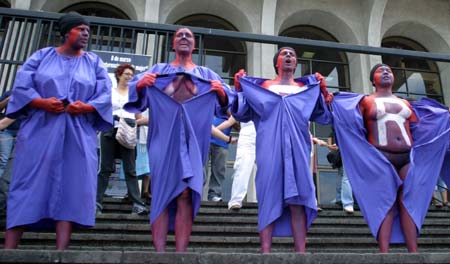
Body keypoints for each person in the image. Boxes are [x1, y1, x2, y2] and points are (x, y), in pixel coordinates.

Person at [3, 12, 112, 250]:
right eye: (80, 29)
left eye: (87, 30)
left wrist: (87, 106)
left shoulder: (93, 62)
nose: (86, 33)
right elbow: (22, 86)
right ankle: (10, 248)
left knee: (72, 185)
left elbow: (105, 94)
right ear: (66, 32)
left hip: (78, 131)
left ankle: (61, 250)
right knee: (28, 182)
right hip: (40, 130)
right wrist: (40, 102)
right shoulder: (42, 56)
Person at [124, 27, 232, 252]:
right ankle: (161, 254)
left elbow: (227, 104)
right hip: (163, 139)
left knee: (186, 193)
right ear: (173, 44)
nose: (184, 38)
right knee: (161, 193)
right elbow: (136, 97)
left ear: (194, 46)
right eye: (179, 35)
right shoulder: (158, 70)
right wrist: (142, 85)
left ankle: (180, 254)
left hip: (194, 141)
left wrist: (220, 93)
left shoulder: (206, 75)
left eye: (189, 36)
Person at [330, 64, 450, 253]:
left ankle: (413, 252)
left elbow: (419, 128)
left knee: (407, 201)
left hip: (407, 157)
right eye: (380, 71)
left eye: (389, 70)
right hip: (381, 158)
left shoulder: (406, 103)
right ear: (373, 80)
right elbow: (348, 119)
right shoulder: (366, 101)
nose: (386, 72)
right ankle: (384, 253)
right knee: (386, 202)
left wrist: (443, 117)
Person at [232, 47, 332, 253]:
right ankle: (265, 253)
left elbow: (323, 115)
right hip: (269, 147)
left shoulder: (306, 89)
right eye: (284, 54)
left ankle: (301, 253)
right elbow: (242, 113)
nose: (288, 56)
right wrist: (239, 89)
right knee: (268, 195)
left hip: (298, 147)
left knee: (299, 199)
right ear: (276, 62)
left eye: (292, 55)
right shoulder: (263, 87)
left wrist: (322, 91)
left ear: (296, 64)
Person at [96, 63, 148, 215]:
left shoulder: (133, 96)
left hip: (128, 133)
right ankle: (97, 203)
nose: (129, 77)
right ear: (119, 75)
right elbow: (100, 113)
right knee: (105, 168)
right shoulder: (109, 93)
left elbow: (140, 118)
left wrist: (132, 123)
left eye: (132, 75)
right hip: (109, 132)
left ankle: (137, 204)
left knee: (130, 169)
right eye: (127, 74)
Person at [205, 114, 235, 202]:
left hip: (221, 141)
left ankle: (214, 194)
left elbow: (236, 119)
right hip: (204, 139)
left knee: (219, 170)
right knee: (200, 169)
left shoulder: (234, 100)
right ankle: (196, 194)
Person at [227, 120, 257, 211]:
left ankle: (264, 200)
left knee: (267, 168)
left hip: (267, 129)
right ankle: (236, 200)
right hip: (248, 129)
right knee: (243, 166)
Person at [327, 131, 354, 214]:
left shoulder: (333, 132)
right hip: (345, 154)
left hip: (338, 158)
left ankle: (339, 198)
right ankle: (346, 201)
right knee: (346, 177)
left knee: (341, 175)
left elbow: (329, 146)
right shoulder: (346, 130)